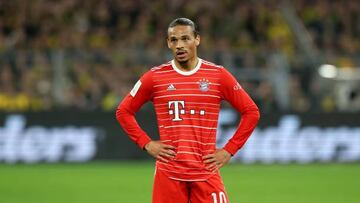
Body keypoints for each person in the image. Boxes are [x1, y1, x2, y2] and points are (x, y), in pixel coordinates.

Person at [116, 17, 260, 203]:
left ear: (197, 39)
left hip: (206, 173)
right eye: (174, 40)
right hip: (169, 174)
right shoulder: (155, 77)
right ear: (168, 43)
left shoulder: (218, 75)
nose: (180, 45)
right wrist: (147, 143)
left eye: (185, 39)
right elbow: (123, 111)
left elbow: (251, 112)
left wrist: (229, 150)